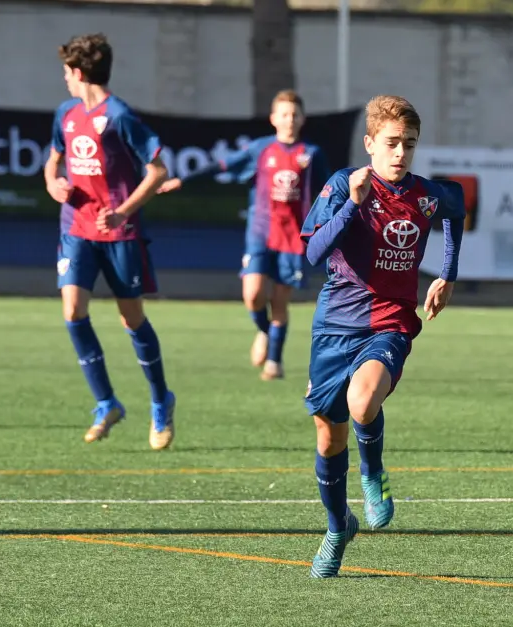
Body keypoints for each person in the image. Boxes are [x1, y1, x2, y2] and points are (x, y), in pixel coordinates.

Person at [298, 94, 466, 578]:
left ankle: (372, 471)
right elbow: (313, 253)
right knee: (328, 437)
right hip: (334, 326)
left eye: (409, 144)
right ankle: (337, 528)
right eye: (391, 143)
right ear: (370, 143)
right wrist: (354, 204)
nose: (400, 153)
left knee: (363, 401)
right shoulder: (341, 185)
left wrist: (447, 274)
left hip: (390, 322)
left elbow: (455, 207)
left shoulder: (426, 193)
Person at [44, 33, 176, 450]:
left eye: (66, 72)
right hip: (76, 228)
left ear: (79, 73)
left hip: (119, 233)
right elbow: (53, 163)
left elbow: (157, 170)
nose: (64, 79)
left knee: (131, 319)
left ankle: (161, 400)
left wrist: (123, 211)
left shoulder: (119, 116)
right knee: (72, 309)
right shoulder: (65, 113)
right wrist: (54, 184)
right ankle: (106, 403)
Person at [157, 90, 330, 380]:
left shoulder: (311, 154)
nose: (289, 120)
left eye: (294, 115)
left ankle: (274, 362)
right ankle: (264, 331)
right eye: (284, 114)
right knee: (252, 297)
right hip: (260, 232)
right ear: (273, 119)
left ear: (303, 119)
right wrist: (183, 181)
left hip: (292, 237)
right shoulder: (260, 149)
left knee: (279, 302)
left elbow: (328, 192)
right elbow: (221, 166)